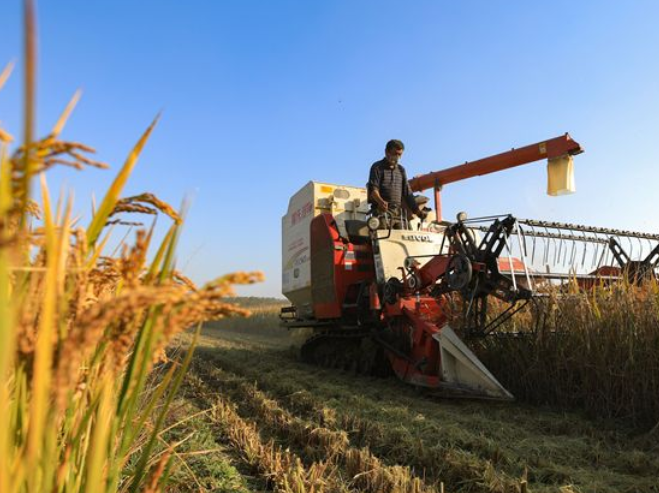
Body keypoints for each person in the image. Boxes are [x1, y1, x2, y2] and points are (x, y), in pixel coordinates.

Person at [367, 139, 427, 228]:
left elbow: (407, 193)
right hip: (381, 212)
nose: (397, 157)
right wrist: (380, 202)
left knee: (407, 237)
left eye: (399, 155)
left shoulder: (401, 170)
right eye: (394, 154)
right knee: (384, 239)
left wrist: (417, 211)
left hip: (398, 213)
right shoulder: (377, 167)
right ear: (386, 152)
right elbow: (373, 189)